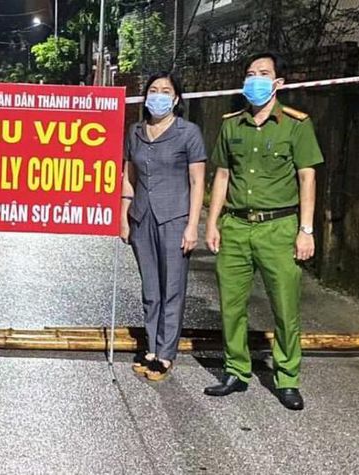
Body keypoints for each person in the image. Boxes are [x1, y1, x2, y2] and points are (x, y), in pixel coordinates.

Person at [203, 52, 324, 410]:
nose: (255, 79)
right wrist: (212, 222)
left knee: (285, 307)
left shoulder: (296, 125)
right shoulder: (231, 125)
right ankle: (236, 370)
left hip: (279, 228)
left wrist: (306, 230)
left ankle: (287, 377)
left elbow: (307, 177)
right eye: (250, 73)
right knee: (231, 306)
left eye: (263, 73)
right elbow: (222, 175)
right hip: (236, 226)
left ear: (278, 83)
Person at [120, 72, 207, 381]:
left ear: (176, 98)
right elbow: (129, 176)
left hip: (174, 218)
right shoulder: (135, 132)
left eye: (165, 91)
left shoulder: (188, 133)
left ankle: (166, 354)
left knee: (172, 289)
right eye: (153, 90)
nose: (158, 96)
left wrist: (192, 226)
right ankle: (152, 346)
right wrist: (124, 217)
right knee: (150, 290)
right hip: (142, 218)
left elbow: (197, 181)